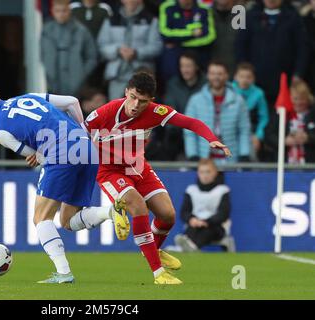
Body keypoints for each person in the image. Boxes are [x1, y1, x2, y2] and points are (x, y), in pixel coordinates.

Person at [0, 87, 129, 284]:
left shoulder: (0, 131)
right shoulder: (28, 97)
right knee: (68, 220)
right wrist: (81, 132)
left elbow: (37, 155)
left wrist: (40, 155)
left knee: (41, 218)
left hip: (60, 153)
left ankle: (64, 273)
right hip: (86, 148)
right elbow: (72, 101)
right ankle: (111, 212)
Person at [83, 72, 231, 284]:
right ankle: (158, 272)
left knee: (168, 215)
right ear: (126, 92)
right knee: (138, 207)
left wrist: (211, 139)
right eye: (132, 97)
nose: (135, 105)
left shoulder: (156, 112)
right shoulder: (103, 113)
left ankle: (151, 250)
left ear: (150, 101)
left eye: (142, 101)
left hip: (139, 168)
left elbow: (191, 123)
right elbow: (75, 135)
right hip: (109, 171)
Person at [236, 0, 309, 105]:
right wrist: (243, 70)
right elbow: (240, 44)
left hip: (284, 79)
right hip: (254, 80)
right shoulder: (250, 15)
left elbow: (302, 48)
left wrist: (298, 73)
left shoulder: (293, 17)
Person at [184, 60, 251, 163]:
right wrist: (192, 155)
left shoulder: (238, 101)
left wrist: (244, 154)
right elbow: (189, 131)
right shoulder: (195, 100)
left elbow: (244, 130)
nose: (216, 77)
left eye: (220, 74)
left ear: (227, 76)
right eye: (213, 73)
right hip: (204, 161)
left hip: (231, 160)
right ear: (208, 75)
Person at [147, 51, 206, 160]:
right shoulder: (173, 84)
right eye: (182, 66)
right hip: (177, 129)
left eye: (188, 66)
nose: (185, 70)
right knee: (169, 139)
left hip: (198, 128)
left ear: (196, 67)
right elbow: (170, 108)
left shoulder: (205, 84)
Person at [97, 0, 162, 100]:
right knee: (117, 110)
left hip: (142, 75)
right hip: (116, 76)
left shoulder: (151, 19)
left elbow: (156, 47)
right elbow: (102, 46)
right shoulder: (111, 20)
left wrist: (136, 52)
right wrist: (118, 50)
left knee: (140, 110)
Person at [41, 0, 97, 95]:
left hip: (76, 84)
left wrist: (81, 74)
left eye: (64, 11)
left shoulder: (81, 31)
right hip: (50, 82)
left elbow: (92, 57)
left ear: (69, 11)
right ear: (53, 12)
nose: (61, 14)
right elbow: (40, 55)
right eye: (58, 11)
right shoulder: (45, 31)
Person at [175, 158, 231, 252]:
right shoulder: (191, 190)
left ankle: (189, 248)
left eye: (208, 172)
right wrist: (191, 219)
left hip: (215, 227)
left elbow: (223, 214)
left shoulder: (223, 190)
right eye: (202, 172)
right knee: (192, 229)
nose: (205, 175)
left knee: (207, 230)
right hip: (195, 225)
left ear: (215, 173)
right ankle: (190, 247)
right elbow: (184, 212)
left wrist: (207, 221)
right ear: (198, 173)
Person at [158, 0, 216, 83]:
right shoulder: (167, 6)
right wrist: (192, 33)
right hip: (174, 56)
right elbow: (165, 33)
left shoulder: (204, 8)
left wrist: (178, 42)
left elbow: (210, 37)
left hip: (198, 55)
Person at [233, 62, 269, 160]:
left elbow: (264, 118)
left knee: (251, 156)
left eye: (248, 77)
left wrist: (258, 136)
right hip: (231, 131)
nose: (245, 80)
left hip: (251, 133)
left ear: (253, 79)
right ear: (235, 77)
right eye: (241, 76)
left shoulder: (259, 94)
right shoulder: (229, 90)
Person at [285, 80, 315, 163]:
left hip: (310, 165)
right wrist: (284, 141)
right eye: (295, 99)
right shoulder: (282, 114)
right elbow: (269, 135)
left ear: (308, 99)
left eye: (302, 99)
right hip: (285, 165)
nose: (298, 102)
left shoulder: (312, 114)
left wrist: (308, 138)